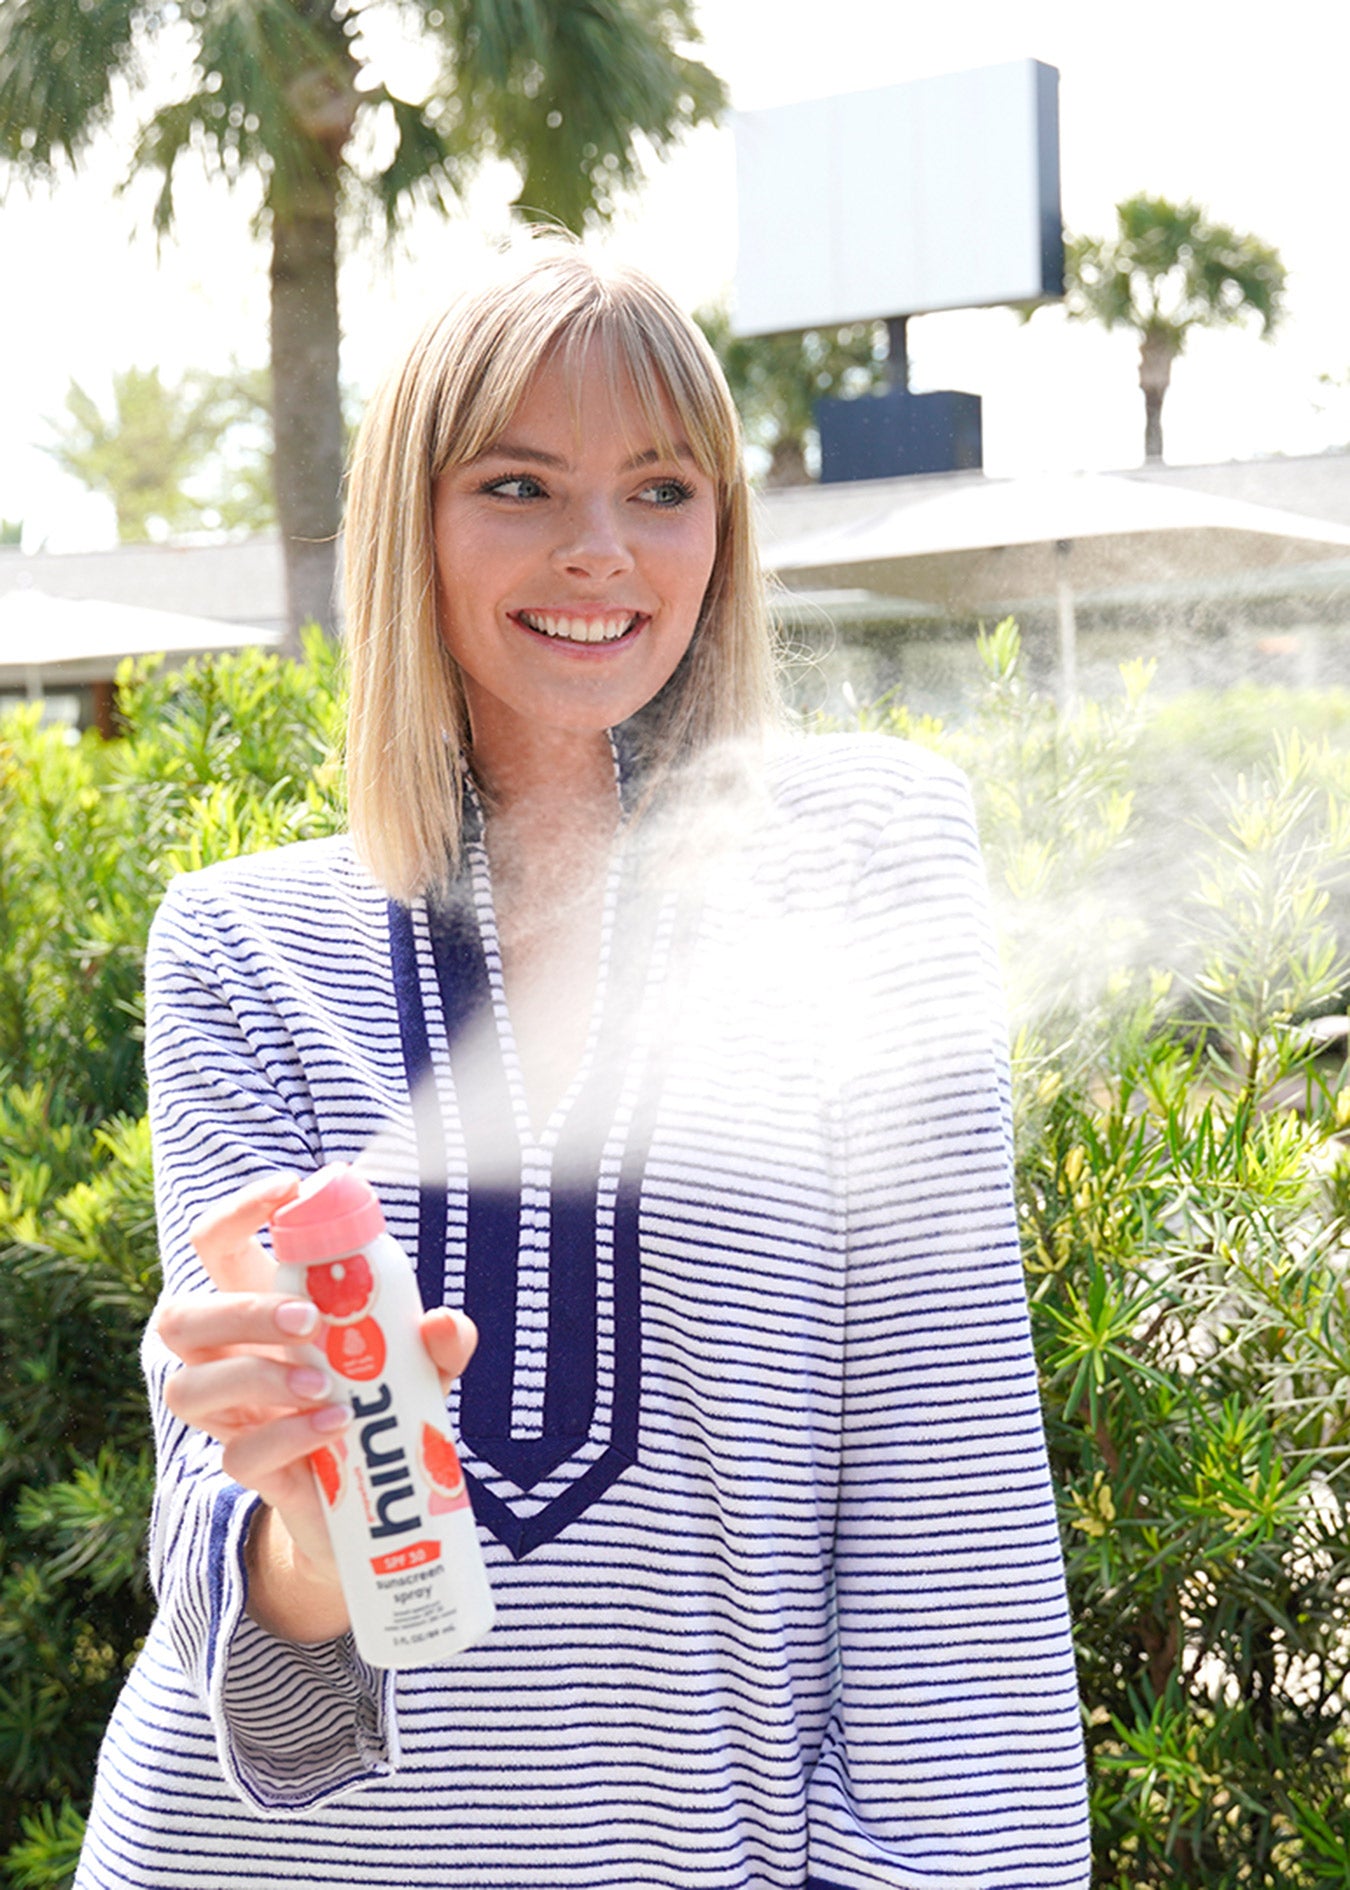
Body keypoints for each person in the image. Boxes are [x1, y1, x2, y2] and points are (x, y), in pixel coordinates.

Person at [75, 238, 1091, 1890]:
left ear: (725, 530)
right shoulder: (239, 945)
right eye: (521, 483)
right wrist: (314, 1530)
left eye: (664, 487)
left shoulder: (873, 863)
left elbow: (945, 1512)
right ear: (413, 517)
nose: (602, 551)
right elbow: (240, 1583)